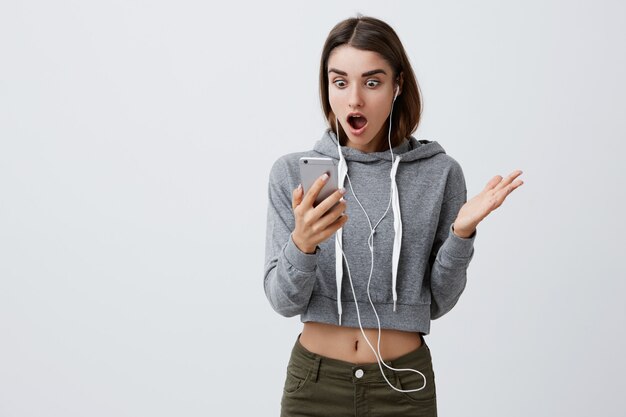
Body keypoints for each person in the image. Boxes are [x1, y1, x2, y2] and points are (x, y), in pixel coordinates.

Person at [263, 15, 523, 417]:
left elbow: (437, 303)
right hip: (314, 386)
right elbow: (283, 301)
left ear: (397, 85)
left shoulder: (440, 173)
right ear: (326, 87)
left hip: (403, 386)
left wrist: (461, 233)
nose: (354, 100)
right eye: (340, 82)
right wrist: (303, 244)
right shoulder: (295, 173)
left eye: (372, 82)